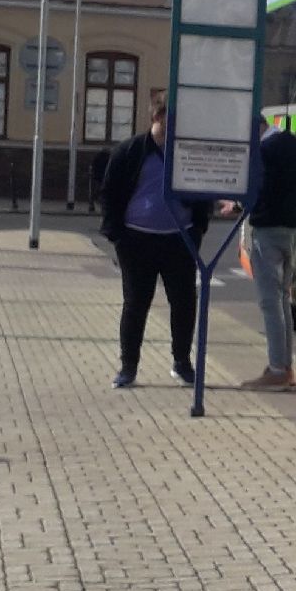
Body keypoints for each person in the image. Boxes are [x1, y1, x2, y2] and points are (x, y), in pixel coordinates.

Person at [99, 99, 211, 389]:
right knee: (136, 303)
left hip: (180, 239)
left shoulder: (185, 152)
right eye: (171, 117)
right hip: (136, 240)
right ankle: (128, 367)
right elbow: (109, 193)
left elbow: (203, 190)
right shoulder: (130, 151)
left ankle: (181, 363)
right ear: (157, 116)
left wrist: (198, 229)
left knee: (184, 302)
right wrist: (117, 236)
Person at [221, 117, 296, 390]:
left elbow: (258, 191)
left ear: (256, 129)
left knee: (270, 302)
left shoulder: (263, 151)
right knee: (283, 299)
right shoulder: (292, 143)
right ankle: (286, 365)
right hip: (293, 229)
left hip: (267, 230)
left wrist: (235, 204)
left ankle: (277, 369)